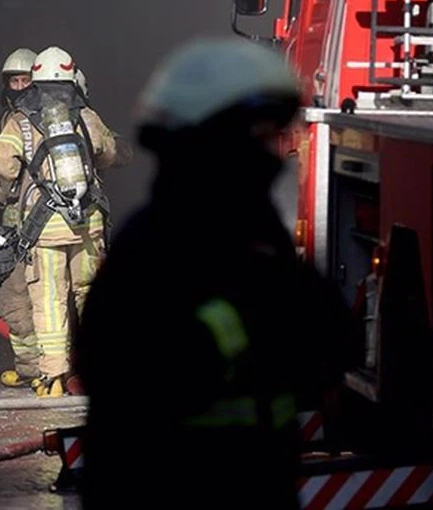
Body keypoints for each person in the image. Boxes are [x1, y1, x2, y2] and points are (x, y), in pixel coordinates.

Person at [74, 37, 356, 509]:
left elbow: (327, 338)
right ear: (215, 143)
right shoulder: (157, 253)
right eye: (259, 137)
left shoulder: (249, 234)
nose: (272, 154)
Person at [0, 46, 117, 398]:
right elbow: (108, 155)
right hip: (87, 223)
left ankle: (53, 377)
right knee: (88, 294)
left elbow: (3, 166)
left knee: (49, 298)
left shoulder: (19, 121)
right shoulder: (87, 116)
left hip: (45, 227)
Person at [0, 48, 42, 389]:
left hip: (31, 221)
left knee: (16, 297)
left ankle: (33, 368)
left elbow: (4, 169)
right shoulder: (54, 116)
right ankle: (48, 366)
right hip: (30, 220)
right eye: (14, 81)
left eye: (25, 80)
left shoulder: (21, 121)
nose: (19, 87)